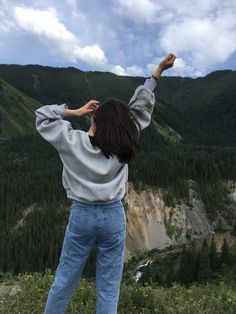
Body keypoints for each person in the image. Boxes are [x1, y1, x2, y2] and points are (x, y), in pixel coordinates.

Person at [35, 53, 176, 314]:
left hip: (81, 215)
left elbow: (42, 117)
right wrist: (157, 72)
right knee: (109, 286)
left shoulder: (71, 141)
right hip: (113, 215)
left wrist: (73, 111)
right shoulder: (124, 141)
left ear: (95, 117)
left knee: (65, 280)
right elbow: (140, 107)